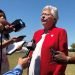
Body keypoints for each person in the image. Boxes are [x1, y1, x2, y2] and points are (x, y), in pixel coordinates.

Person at [28, 5, 68, 75]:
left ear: (54, 18)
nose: (43, 16)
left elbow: (63, 57)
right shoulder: (36, 33)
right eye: (42, 14)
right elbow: (31, 52)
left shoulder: (60, 31)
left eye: (47, 14)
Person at [0, 9, 24, 74]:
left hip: (4, 67)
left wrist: (16, 48)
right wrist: (11, 41)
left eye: (3, 17)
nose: (2, 18)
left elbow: (6, 51)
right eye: (0, 16)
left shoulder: (5, 35)